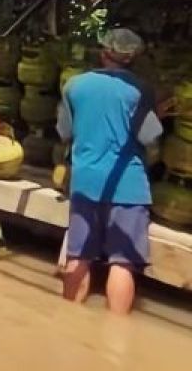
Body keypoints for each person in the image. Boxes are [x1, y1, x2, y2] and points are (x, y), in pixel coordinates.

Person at [57, 28, 164, 315]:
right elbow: (149, 137)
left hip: (85, 182)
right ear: (132, 58)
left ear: (104, 53)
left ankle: (68, 325)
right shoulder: (140, 91)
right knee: (123, 261)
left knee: (79, 255)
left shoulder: (73, 85)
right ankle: (115, 337)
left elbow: (65, 132)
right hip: (127, 186)